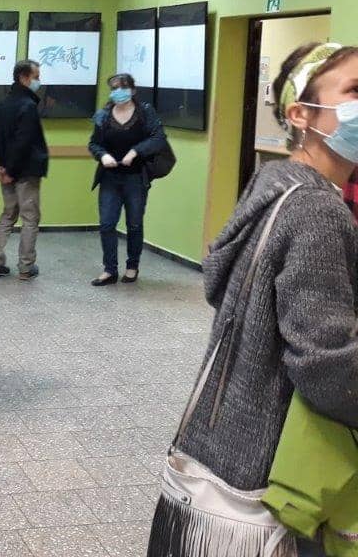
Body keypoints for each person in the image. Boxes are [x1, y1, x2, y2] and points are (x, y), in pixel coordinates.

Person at [150, 42, 358, 557]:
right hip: (281, 471)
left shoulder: (273, 184)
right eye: (355, 90)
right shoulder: (317, 210)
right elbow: (326, 362)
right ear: (300, 114)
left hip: (228, 438)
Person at [87, 73, 168, 286]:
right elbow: (94, 143)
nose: (118, 92)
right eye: (114, 88)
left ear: (132, 90)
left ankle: (132, 266)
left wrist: (135, 151)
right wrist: (102, 155)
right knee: (107, 224)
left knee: (134, 224)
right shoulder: (103, 115)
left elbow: (159, 138)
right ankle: (109, 270)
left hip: (135, 177)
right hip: (110, 178)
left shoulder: (145, 112)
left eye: (122, 88)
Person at [0, 59, 48, 280]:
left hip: (5, 169)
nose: (39, 81)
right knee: (30, 217)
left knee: (8, 214)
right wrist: (11, 170)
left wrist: (0, 167)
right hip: (25, 171)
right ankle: (26, 266)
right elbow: (24, 141)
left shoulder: (2, 104)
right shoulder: (28, 106)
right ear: (23, 78)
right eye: (36, 77)